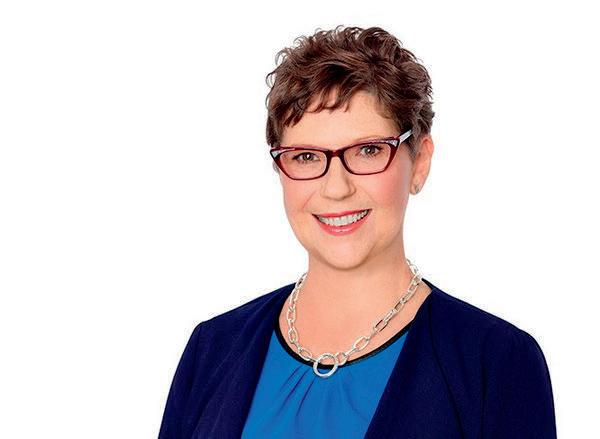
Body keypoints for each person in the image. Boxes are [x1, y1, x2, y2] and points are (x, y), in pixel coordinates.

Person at [158, 25, 557, 438]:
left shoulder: (496, 362)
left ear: (419, 162)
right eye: (306, 156)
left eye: (368, 151)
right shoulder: (213, 349)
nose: (336, 188)